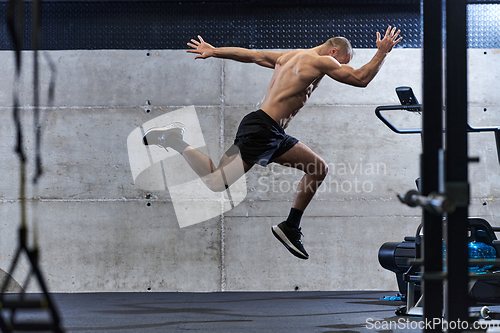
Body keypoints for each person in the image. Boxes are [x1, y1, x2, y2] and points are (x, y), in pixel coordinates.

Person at [142, 26, 402, 260]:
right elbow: (360, 79)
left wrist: (215, 51)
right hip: (264, 130)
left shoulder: (289, 56)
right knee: (221, 181)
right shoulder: (321, 60)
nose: (337, 67)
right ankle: (290, 226)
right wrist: (382, 53)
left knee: (220, 180)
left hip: (264, 127)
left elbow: (252, 55)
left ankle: (174, 139)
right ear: (334, 51)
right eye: (340, 61)